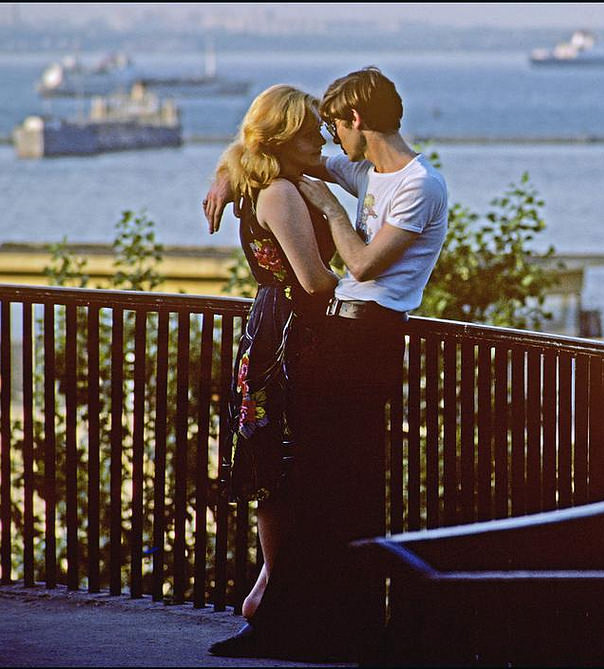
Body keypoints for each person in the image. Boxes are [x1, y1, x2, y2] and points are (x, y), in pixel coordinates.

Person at [204, 66, 449, 662]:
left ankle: (332, 620)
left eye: (335, 126)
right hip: (334, 337)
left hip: (366, 340)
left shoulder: (420, 184)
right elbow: (263, 147)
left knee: (340, 486)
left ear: (357, 121)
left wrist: (333, 213)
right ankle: (303, 618)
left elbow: (362, 268)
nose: (330, 140)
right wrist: (220, 174)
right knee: (312, 484)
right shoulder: (362, 170)